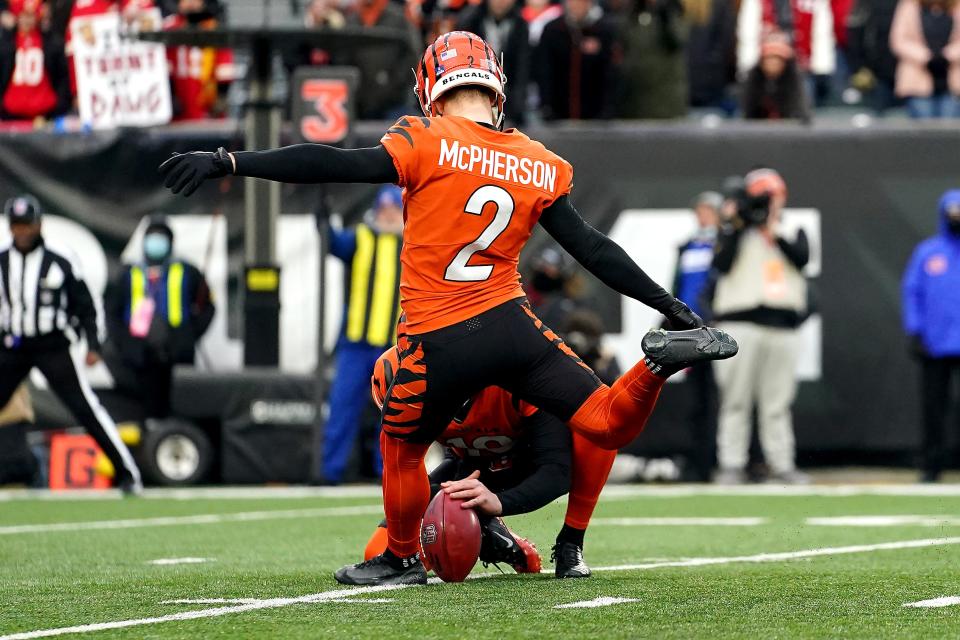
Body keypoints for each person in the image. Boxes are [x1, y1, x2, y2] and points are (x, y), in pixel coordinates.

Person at [159, 30, 738, 587]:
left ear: (432, 85)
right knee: (605, 421)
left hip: (438, 333)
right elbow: (593, 249)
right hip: (512, 322)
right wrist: (672, 306)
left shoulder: (425, 138)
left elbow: (332, 162)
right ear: (496, 86)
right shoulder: (535, 158)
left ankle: (401, 556)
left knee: (400, 445)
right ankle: (657, 366)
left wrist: (231, 161)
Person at [362, 346, 615, 577]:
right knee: (378, 552)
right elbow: (405, 477)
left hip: (529, 462)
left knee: (599, 424)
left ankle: (571, 542)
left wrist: (498, 502)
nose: (407, 417)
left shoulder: (510, 380)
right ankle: (496, 538)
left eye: (411, 407)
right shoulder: (407, 407)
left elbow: (558, 471)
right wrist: (446, 497)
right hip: (471, 470)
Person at [0, 195, 143, 494]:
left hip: (52, 345)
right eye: (17, 225)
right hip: (12, 345)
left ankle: (127, 473)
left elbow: (86, 305)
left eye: (27, 225)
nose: (22, 231)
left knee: (84, 408)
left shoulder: (60, 257)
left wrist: (93, 344)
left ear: (39, 224)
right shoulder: (2, 261)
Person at [711, 169, 809, 485]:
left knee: (777, 403)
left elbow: (803, 258)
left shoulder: (792, 229)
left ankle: (781, 464)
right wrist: (739, 221)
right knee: (735, 399)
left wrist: (772, 228)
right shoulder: (734, 229)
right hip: (740, 323)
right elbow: (721, 264)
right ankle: (731, 464)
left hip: (782, 325)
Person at [319, 185, 404, 485]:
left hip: (395, 346)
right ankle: (330, 471)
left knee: (395, 415)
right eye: (383, 208)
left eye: (393, 208)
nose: (388, 214)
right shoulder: (361, 237)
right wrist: (323, 217)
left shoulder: (413, 243)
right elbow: (331, 243)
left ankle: (389, 475)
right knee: (342, 407)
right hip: (356, 342)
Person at [104, 215, 214, 419]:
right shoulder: (129, 273)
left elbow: (207, 306)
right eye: (152, 237)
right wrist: (125, 342)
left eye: (161, 237)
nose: (156, 242)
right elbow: (112, 311)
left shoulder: (187, 271)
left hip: (177, 353)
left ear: (170, 242)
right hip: (139, 355)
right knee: (144, 408)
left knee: (180, 406)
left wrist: (188, 335)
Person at [902, 190, 960, 482]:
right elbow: (912, 292)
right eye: (953, 213)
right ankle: (931, 465)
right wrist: (916, 330)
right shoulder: (928, 252)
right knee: (933, 407)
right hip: (935, 344)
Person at [671, 191, 721, 482]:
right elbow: (678, 286)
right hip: (690, 330)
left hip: (715, 328)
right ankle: (698, 462)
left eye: (707, 211)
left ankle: (716, 460)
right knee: (696, 399)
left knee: (718, 397)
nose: (702, 217)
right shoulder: (688, 246)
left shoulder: (723, 245)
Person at [535, 0, 618, 119]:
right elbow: (544, 71)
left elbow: (610, 73)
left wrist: (607, 109)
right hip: (558, 114)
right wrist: (546, 106)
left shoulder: (603, 31)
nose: (576, 5)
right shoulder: (553, 30)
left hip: (596, 116)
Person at [457, 0, 531, 125]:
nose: (500, 2)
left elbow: (522, 69)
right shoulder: (470, 20)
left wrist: (518, 106)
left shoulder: (520, 25)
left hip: (508, 95)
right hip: (473, 91)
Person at [616, 0, 689, 119]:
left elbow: (678, 40)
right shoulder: (631, 14)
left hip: (667, 102)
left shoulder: (672, 11)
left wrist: (665, 17)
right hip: (635, 101)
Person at [163, 0, 234, 120]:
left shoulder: (214, 28)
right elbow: (164, 65)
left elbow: (225, 67)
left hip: (209, 111)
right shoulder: (169, 28)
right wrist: (170, 95)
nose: (190, 3)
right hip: (178, 109)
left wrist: (222, 97)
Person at [0, 0, 70, 121]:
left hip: (46, 112)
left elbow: (62, 75)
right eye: (24, 15)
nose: (27, 20)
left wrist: (59, 105)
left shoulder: (51, 42)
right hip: (11, 113)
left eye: (31, 16)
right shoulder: (7, 43)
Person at [889, 0, 960, 119]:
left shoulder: (956, 5)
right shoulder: (909, 5)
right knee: (923, 131)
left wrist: (947, 56)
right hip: (918, 79)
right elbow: (898, 40)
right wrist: (926, 57)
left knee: (949, 133)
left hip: (951, 81)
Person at [741, 31, 811, 121]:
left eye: (777, 59)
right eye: (769, 59)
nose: (773, 63)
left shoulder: (794, 79)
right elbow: (748, 112)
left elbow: (801, 111)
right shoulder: (753, 79)